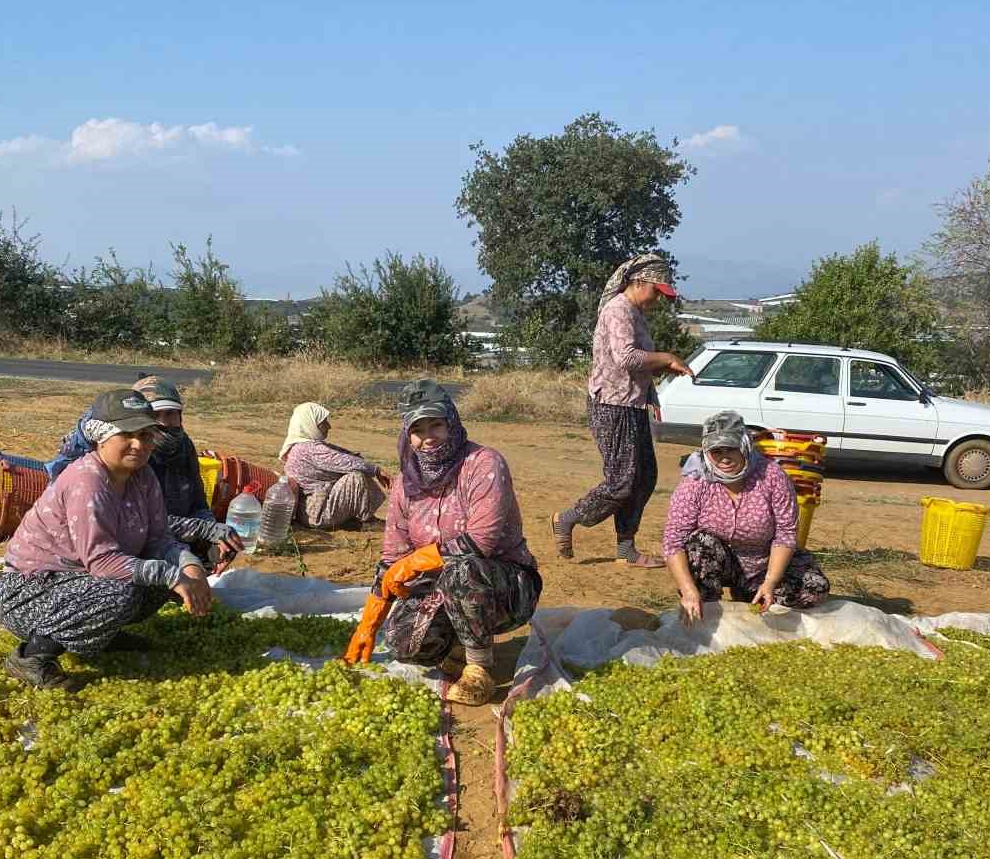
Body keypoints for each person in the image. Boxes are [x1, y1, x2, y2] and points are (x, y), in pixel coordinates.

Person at [0, 388, 214, 689]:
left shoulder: (143, 476)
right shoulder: (87, 481)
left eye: (147, 435)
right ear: (102, 436)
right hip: (30, 592)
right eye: (128, 434)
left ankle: (101, 633)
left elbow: (159, 538)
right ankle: (32, 656)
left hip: (78, 584)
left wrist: (190, 568)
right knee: (123, 591)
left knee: (164, 578)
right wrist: (171, 574)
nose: (139, 444)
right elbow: (102, 561)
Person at [343, 380, 541, 707]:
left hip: (505, 586)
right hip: (444, 589)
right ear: (408, 435)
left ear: (452, 422)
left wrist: (415, 562)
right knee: (404, 642)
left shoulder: (483, 463)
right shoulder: (405, 484)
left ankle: (478, 667)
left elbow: (481, 542)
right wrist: (369, 624)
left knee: (461, 570)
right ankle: (458, 646)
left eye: (437, 424)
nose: (429, 436)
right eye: (418, 429)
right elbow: (392, 557)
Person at [553, 253, 693, 566]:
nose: (659, 299)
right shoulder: (619, 310)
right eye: (657, 291)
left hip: (631, 403)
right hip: (612, 405)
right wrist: (667, 357)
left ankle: (626, 548)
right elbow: (626, 358)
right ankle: (568, 518)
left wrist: (658, 368)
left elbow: (634, 364)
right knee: (622, 480)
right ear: (638, 282)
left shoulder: (635, 312)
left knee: (644, 477)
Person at [46, 375, 240, 565]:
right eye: (155, 415)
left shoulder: (183, 447)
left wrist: (215, 535)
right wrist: (205, 529)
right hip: (122, 545)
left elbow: (198, 504)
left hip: (170, 537)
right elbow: (142, 524)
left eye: (171, 414)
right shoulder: (131, 456)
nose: (164, 423)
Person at [663, 410, 830, 622]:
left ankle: (752, 594)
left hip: (764, 562)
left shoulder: (772, 476)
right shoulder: (695, 483)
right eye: (716, 451)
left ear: (745, 446)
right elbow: (673, 542)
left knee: (815, 587)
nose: (724, 457)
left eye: (731, 449)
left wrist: (770, 582)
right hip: (718, 562)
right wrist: (688, 590)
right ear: (706, 452)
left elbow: (786, 534)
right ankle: (706, 604)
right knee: (699, 544)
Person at [279, 402, 390, 529]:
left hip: (309, 511)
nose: (329, 426)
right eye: (324, 422)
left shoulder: (301, 446)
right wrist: (376, 470)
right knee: (355, 478)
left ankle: (352, 518)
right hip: (317, 513)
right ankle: (367, 520)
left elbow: (340, 453)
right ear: (311, 424)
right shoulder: (308, 449)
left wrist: (362, 461)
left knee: (354, 470)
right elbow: (346, 462)